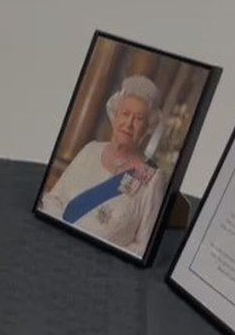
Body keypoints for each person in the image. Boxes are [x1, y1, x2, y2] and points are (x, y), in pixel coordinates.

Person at [39, 75, 166, 256]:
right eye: (125, 114)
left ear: (148, 128)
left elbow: (142, 247)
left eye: (138, 119)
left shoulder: (151, 178)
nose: (129, 124)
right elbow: (53, 199)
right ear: (115, 116)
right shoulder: (90, 150)